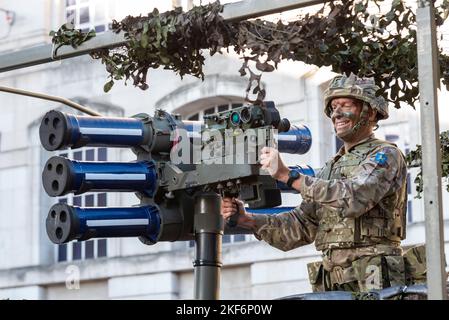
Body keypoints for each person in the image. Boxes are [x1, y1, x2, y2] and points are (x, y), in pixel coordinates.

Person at [222, 73, 410, 292]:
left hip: (375, 281)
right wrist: (248, 219)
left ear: (369, 111)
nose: (336, 113)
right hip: (333, 284)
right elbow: (300, 226)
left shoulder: (385, 154)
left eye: (345, 105)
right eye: (333, 107)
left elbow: (355, 197)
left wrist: (288, 175)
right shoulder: (331, 167)